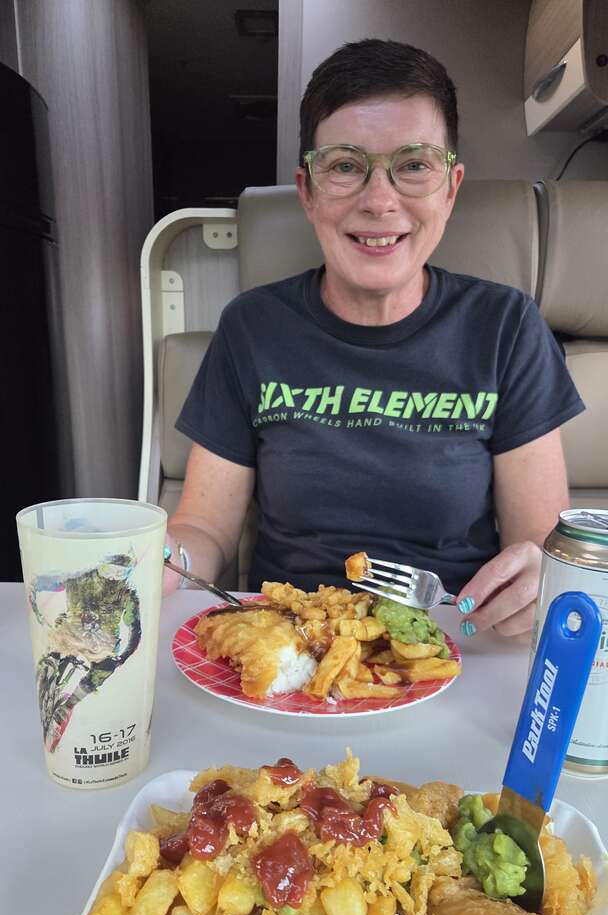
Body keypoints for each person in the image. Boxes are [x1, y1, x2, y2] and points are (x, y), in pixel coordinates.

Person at [164, 38, 582, 640]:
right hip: (287, 647)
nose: (380, 201)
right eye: (344, 166)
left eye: (413, 165)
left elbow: (536, 544)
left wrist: (537, 577)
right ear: (307, 191)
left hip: (452, 644)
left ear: (450, 188)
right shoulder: (251, 328)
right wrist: (162, 560)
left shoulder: (508, 327)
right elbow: (204, 530)